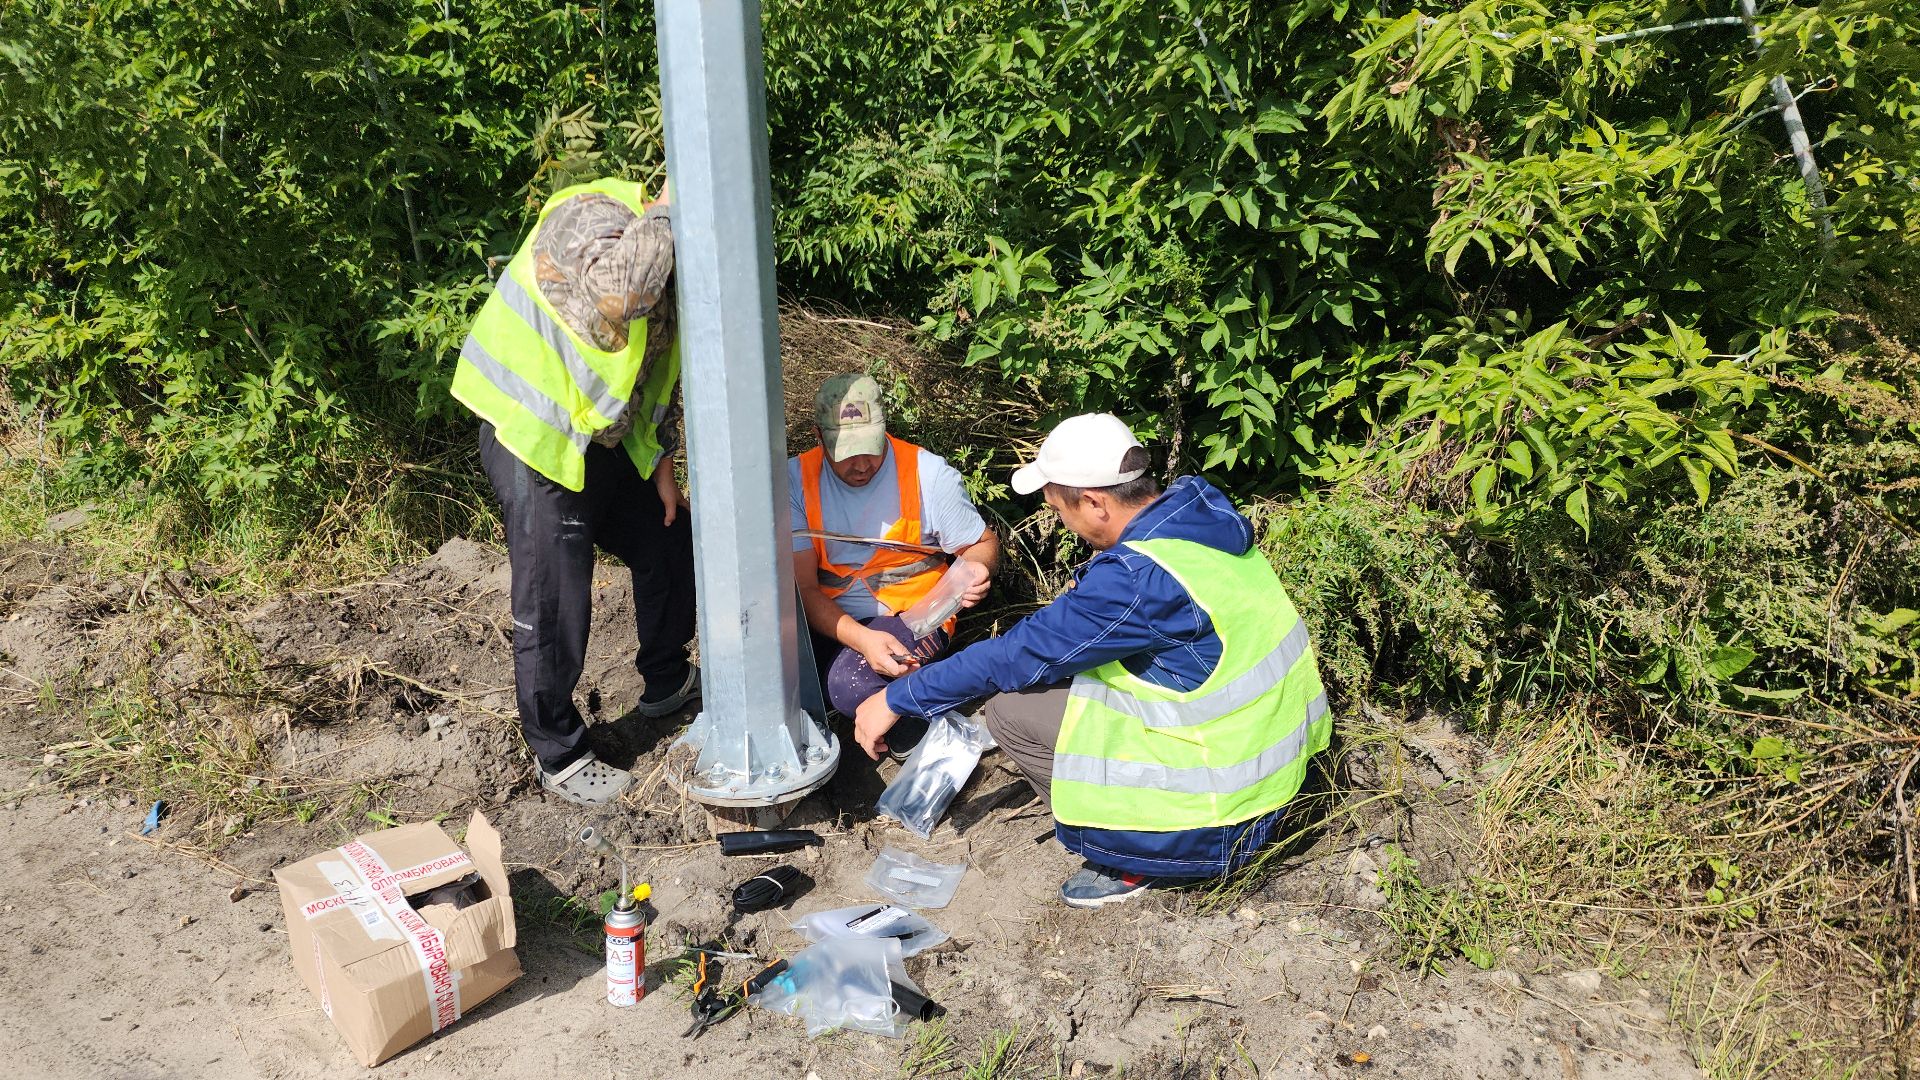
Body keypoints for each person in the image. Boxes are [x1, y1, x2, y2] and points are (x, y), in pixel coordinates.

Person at [852, 413, 1330, 907]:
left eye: (1060, 509)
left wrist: (898, 697)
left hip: (1224, 815)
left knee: (1010, 713)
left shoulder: (1137, 579)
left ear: (1095, 502)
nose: (1062, 522)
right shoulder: (1197, 524)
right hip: (1292, 771)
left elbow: (1014, 656)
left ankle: (1130, 854)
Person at [450, 177, 700, 807]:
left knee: (668, 536)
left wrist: (662, 460)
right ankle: (557, 751)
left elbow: (650, 373)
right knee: (555, 591)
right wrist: (674, 211)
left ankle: (667, 682)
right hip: (533, 437)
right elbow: (619, 295)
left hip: (599, 441)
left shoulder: (670, 256)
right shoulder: (592, 221)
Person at [790, 374, 1000, 753]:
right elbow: (804, 588)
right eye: (844, 451)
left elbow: (982, 544)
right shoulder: (795, 481)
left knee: (849, 684)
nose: (861, 464)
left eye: (870, 447)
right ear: (818, 438)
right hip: (834, 618)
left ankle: (932, 740)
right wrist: (862, 639)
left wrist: (978, 569)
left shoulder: (927, 474)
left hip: (914, 614)